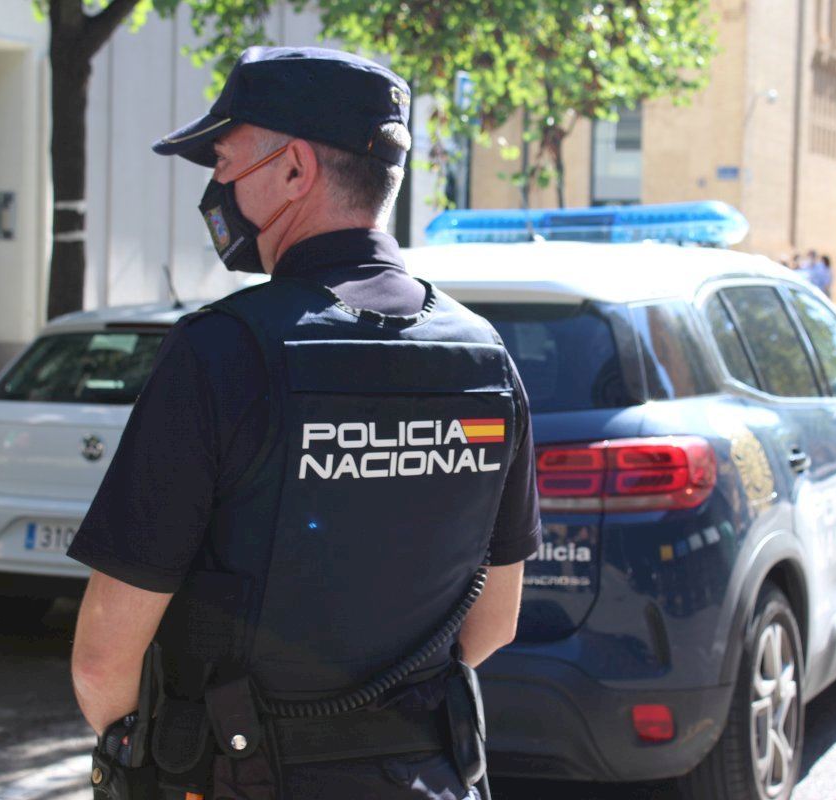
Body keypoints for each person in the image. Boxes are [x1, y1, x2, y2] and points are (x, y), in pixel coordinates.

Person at [67, 47, 540, 800]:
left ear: (294, 170)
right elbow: (494, 625)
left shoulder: (221, 351)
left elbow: (102, 662)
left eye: (225, 162)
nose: (217, 188)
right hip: (432, 777)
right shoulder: (484, 356)